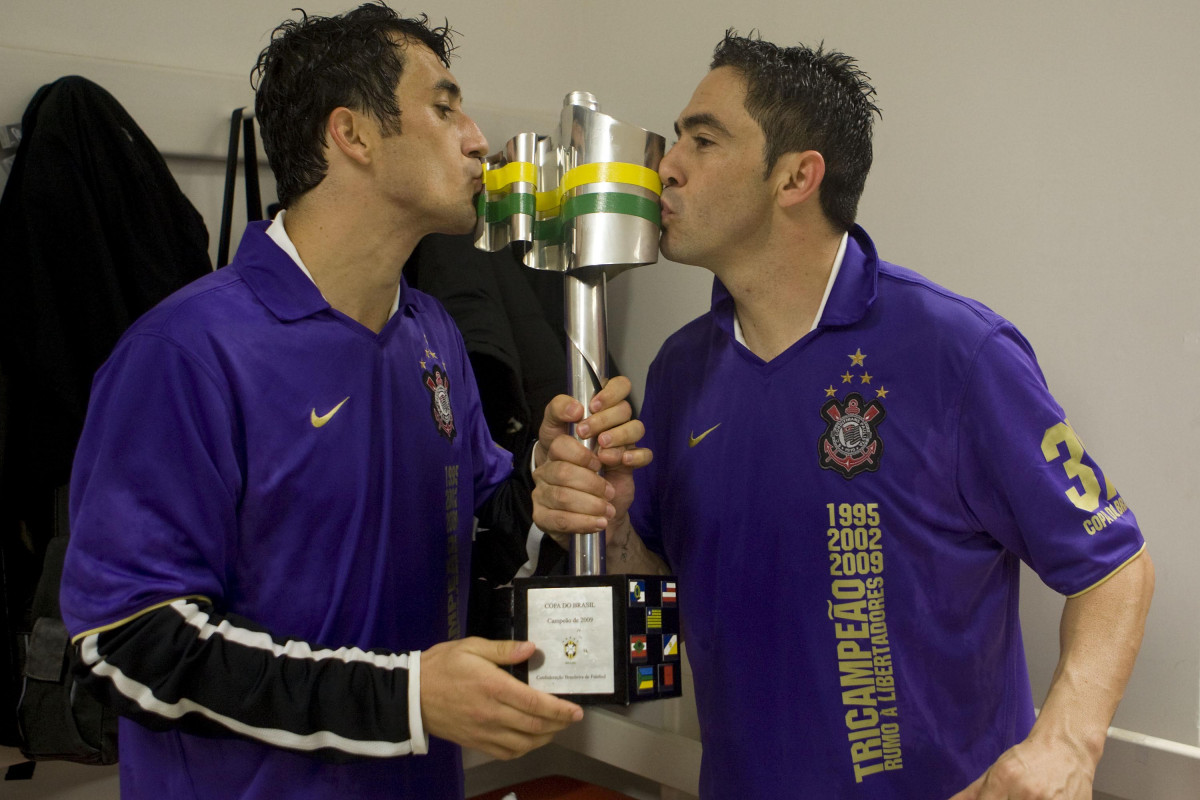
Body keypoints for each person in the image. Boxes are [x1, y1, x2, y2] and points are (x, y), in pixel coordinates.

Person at [541, 31, 1155, 799]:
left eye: (703, 139)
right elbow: (657, 609)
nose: (667, 164)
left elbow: (1115, 567)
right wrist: (606, 523)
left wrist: (1067, 741)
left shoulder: (956, 351)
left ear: (796, 176)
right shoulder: (677, 371)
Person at [58, 5, 646, 799]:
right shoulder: (187, 353)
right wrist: (402, 699)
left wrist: (547, 489)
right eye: (444, 107)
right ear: (353, 135)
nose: (477, 138)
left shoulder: (430, 333)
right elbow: (128, 644)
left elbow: (477, 536)